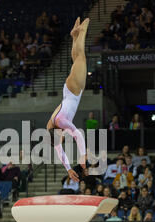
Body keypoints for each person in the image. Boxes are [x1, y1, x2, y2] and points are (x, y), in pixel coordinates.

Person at [47, 17, 90, 182]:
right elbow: (59, 151)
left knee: (81, 58)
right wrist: (69, 169)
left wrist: (83, 155)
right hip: (69, 92)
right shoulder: (50, 127)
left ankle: (83, 32)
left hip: (73, 90)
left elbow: (78, 135)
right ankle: (74, 36)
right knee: (77, 59)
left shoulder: (62, 122)